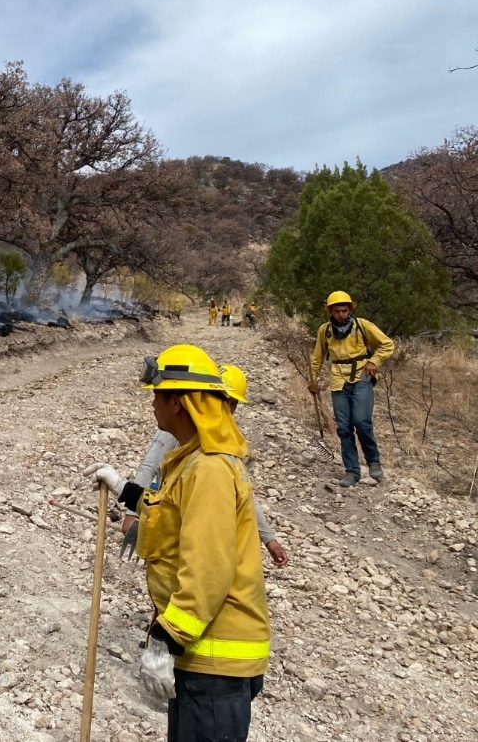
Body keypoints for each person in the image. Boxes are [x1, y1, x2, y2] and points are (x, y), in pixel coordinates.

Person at [86, 344, 270, 741]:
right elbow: (169, 518)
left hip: (214, 664)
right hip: (201, 660)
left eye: (158, 394)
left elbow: (208, 571)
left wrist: (165, 639)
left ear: (178, 403)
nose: (152, 403)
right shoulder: (192, 461)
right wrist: (124, 489)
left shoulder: (209, 470)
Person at [121, 364, 288, 567]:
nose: (228, 410)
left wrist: (269, 539)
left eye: (233, 404)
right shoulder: (178, 426)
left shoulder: (226, 440)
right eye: (224, 401)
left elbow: (243, 492)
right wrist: (132, 514)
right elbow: (149, 468)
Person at [308, 291, 395, 487]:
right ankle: (351, 471)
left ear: (350, 309)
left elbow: (387, 344)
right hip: (338, 380)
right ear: (330, 311)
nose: (341, 314)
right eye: (337, 311)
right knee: (344, 428)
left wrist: (374, 361)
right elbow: (317, 357)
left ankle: (373, 461)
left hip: (362, 376)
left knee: (362, 421)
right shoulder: (325, 330)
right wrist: (312, 380)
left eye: (344, 310)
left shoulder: (362, 325)